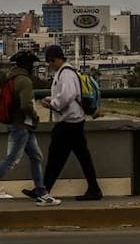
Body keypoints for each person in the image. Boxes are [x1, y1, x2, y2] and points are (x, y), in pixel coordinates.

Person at [0, 51, 61, 208]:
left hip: (17, 124)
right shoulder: (24, 81)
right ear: (28, 65)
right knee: (11, 159)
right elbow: (26, 104)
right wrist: (35, 116)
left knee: (36, 157)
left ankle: (41, 193)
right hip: (21, 126)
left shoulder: (10, 78)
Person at [32, 44, 102, 201]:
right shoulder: (66, 72)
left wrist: (52, 104)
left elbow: (68, 95)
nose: (50, 65)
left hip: (69, 122)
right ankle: (93, 188)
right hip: (73, 121)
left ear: (56, 59)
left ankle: (43, 189)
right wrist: (52, 100)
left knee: (57, 156)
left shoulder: (66, 74)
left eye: (50, 62)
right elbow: (65, 94)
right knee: (75, 157)